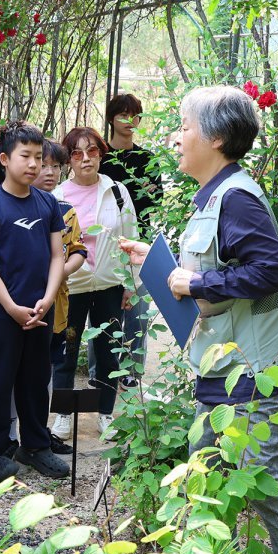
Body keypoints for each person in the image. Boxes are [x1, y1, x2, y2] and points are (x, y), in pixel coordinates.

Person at [118, 85, 278, 554]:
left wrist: (193, 283)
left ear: (215, 138)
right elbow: (222, 269)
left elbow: (270, 272)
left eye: (184, 127)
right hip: (226, 371)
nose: (175, 137)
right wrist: (162, 266)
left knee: (268, 490)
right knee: (202, 479)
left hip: (256, 374)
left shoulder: (236, 196)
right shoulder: (216, 198)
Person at [0, 121, 68, 483]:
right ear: (5, 159)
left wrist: (46, 298)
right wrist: (11, 307)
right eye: (25, 156)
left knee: (36, 378)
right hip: (3, 313)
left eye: (39, 158)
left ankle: (36, 445)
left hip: (41, 310)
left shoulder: (47, 203)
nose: (34, 165)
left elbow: (58, 255)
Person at [52, 127, 138, 437]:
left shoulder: (117, 191)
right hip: (69, 287)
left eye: (92, 151)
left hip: (109, 285)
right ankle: (62, 414)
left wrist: (132, 283)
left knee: (107, 350)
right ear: (69, 160)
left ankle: (104, 412)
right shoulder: (57, 196)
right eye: (77, 153)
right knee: (66, 349)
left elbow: (131, 239)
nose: (86, 159)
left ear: (101, 154)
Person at [102, 93, 161, 389]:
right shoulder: (99, 158)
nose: (130, 121)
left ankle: (133, 372)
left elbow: (155, 200)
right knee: (105, 312)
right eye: (123, 115)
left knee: (138, 311)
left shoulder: (147, 159)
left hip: (141, 245)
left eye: (135, 115)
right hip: (106, 246)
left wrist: (145, 191)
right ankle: (102, 369)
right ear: (112, 117)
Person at [36, 140, 86, 455]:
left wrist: (61, 272)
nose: (51, 172)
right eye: (44, 164)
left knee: (49, 372)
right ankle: (17, 435)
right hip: (26, 307)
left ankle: (41, 432)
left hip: (58, 309)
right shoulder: (14, 207)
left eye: (56, 166)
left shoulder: (65, 210)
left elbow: (79, 250)